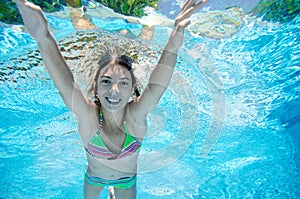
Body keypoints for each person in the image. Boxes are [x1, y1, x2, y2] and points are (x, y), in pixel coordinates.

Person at [14, 0, 208, 198]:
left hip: (126, 181)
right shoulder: (90, 117)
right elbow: (66, 86)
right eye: (106, 82)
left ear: (133, 90)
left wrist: (174, 43)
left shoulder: (135, 117)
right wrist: (44, 38)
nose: (114, 90)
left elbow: (156, 87)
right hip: (94, 178)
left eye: (123, 83)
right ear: (95, 88)